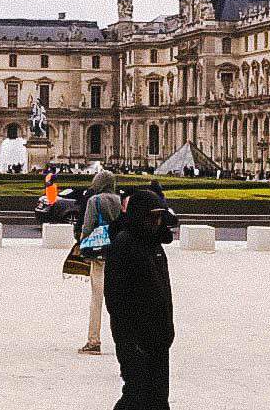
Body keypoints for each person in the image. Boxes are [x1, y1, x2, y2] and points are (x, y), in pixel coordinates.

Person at [104, 187, 177, 409]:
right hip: (135, 339)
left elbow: (162, 291)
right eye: (153, 216)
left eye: (159, 217)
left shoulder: (154, 245)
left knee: (158, 398)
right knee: (136, 396)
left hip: (158, 336)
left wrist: (167, 330)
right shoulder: (124, 244)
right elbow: (115, 298)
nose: (157, 222)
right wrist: (128, 339)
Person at [78, 169, 123, 354]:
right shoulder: (121, 200)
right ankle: (124, 340)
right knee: (119, 300)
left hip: (99, 253)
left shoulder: (94, 200)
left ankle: (93, 341)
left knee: (97, 299)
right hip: (118, 252)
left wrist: (82, 243)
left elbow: (87, 227)